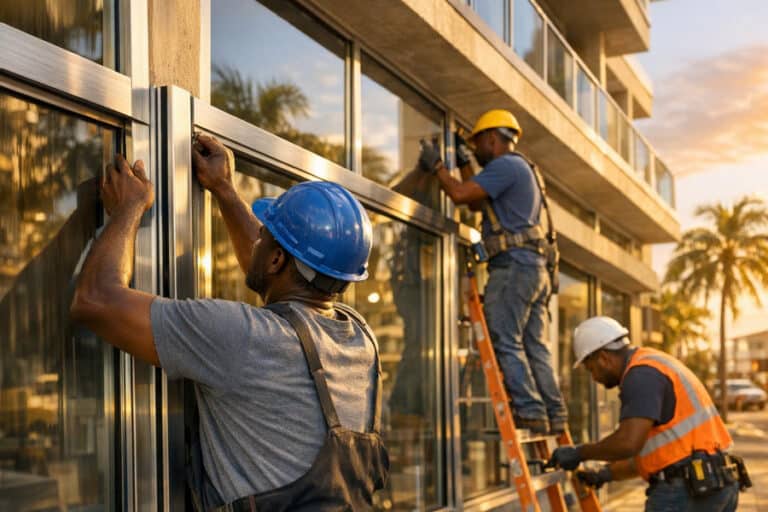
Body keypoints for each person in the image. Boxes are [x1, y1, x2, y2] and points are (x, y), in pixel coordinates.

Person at [69, 135, 389, 510]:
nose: (256, 240)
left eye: (264, 236)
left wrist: (128, 208)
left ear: (276, 260)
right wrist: (223, 189)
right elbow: (277, 271)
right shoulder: (359, 338)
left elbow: (95, 300)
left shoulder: (244, 337)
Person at [418, 109, 567, 434]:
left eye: (477, 144)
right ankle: (554, 414)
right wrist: (463, 161)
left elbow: (460, 194)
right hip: (533, 269)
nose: (477, 151)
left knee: (505, 339)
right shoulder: (522, 169)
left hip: (514, 268)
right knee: (535, 347)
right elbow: (476, 201)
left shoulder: (505, 165)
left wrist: (438, 166)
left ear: (492, 139)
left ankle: (529, 409)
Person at [547, 316, 745, 512]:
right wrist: (604, 474)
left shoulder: (641, 375)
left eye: (591, 369)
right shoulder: (653, 364)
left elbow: (628, 443)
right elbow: (655, 457)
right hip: (715, 485)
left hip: (686, 492)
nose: (594, 378)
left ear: (604, 358)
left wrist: (579, 453)